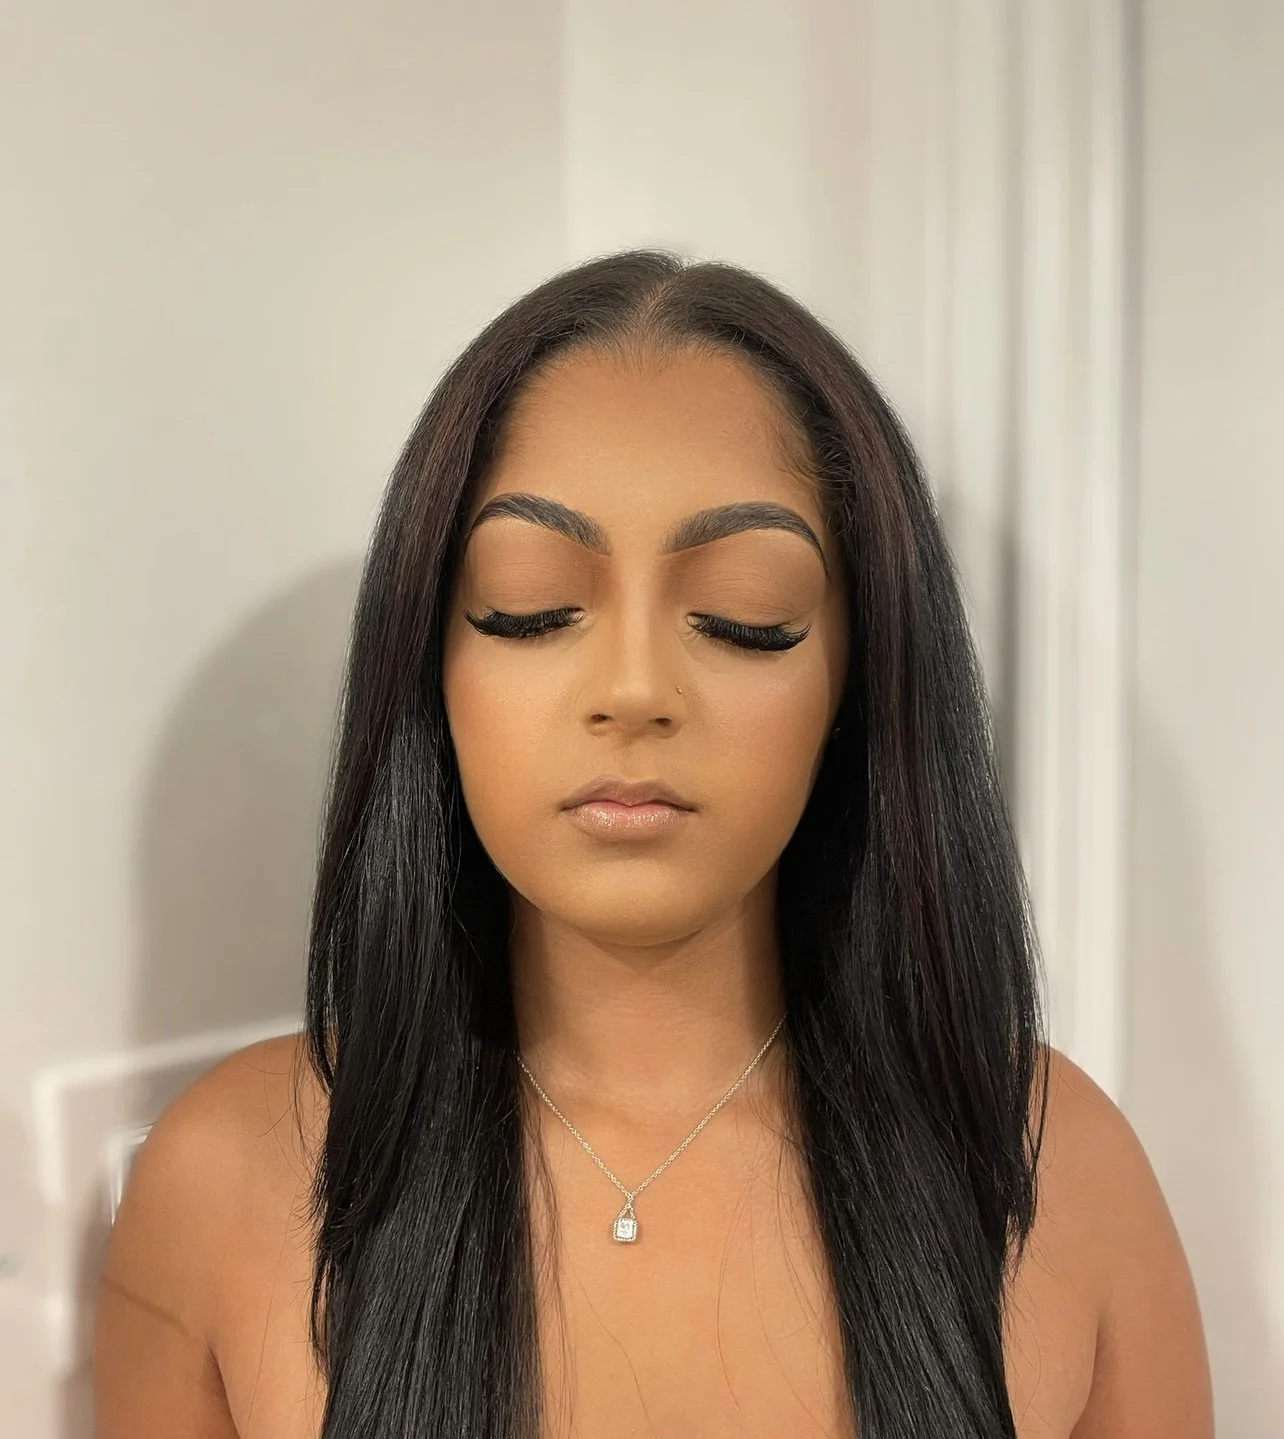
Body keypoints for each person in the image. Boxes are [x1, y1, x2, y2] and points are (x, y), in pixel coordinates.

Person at [92, 250, 1214, 1438]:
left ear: (856, 676)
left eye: (745, 618)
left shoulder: (1052, 1168)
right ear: (431, 667)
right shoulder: (224, 1180)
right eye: (529, 608)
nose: (632, 689)